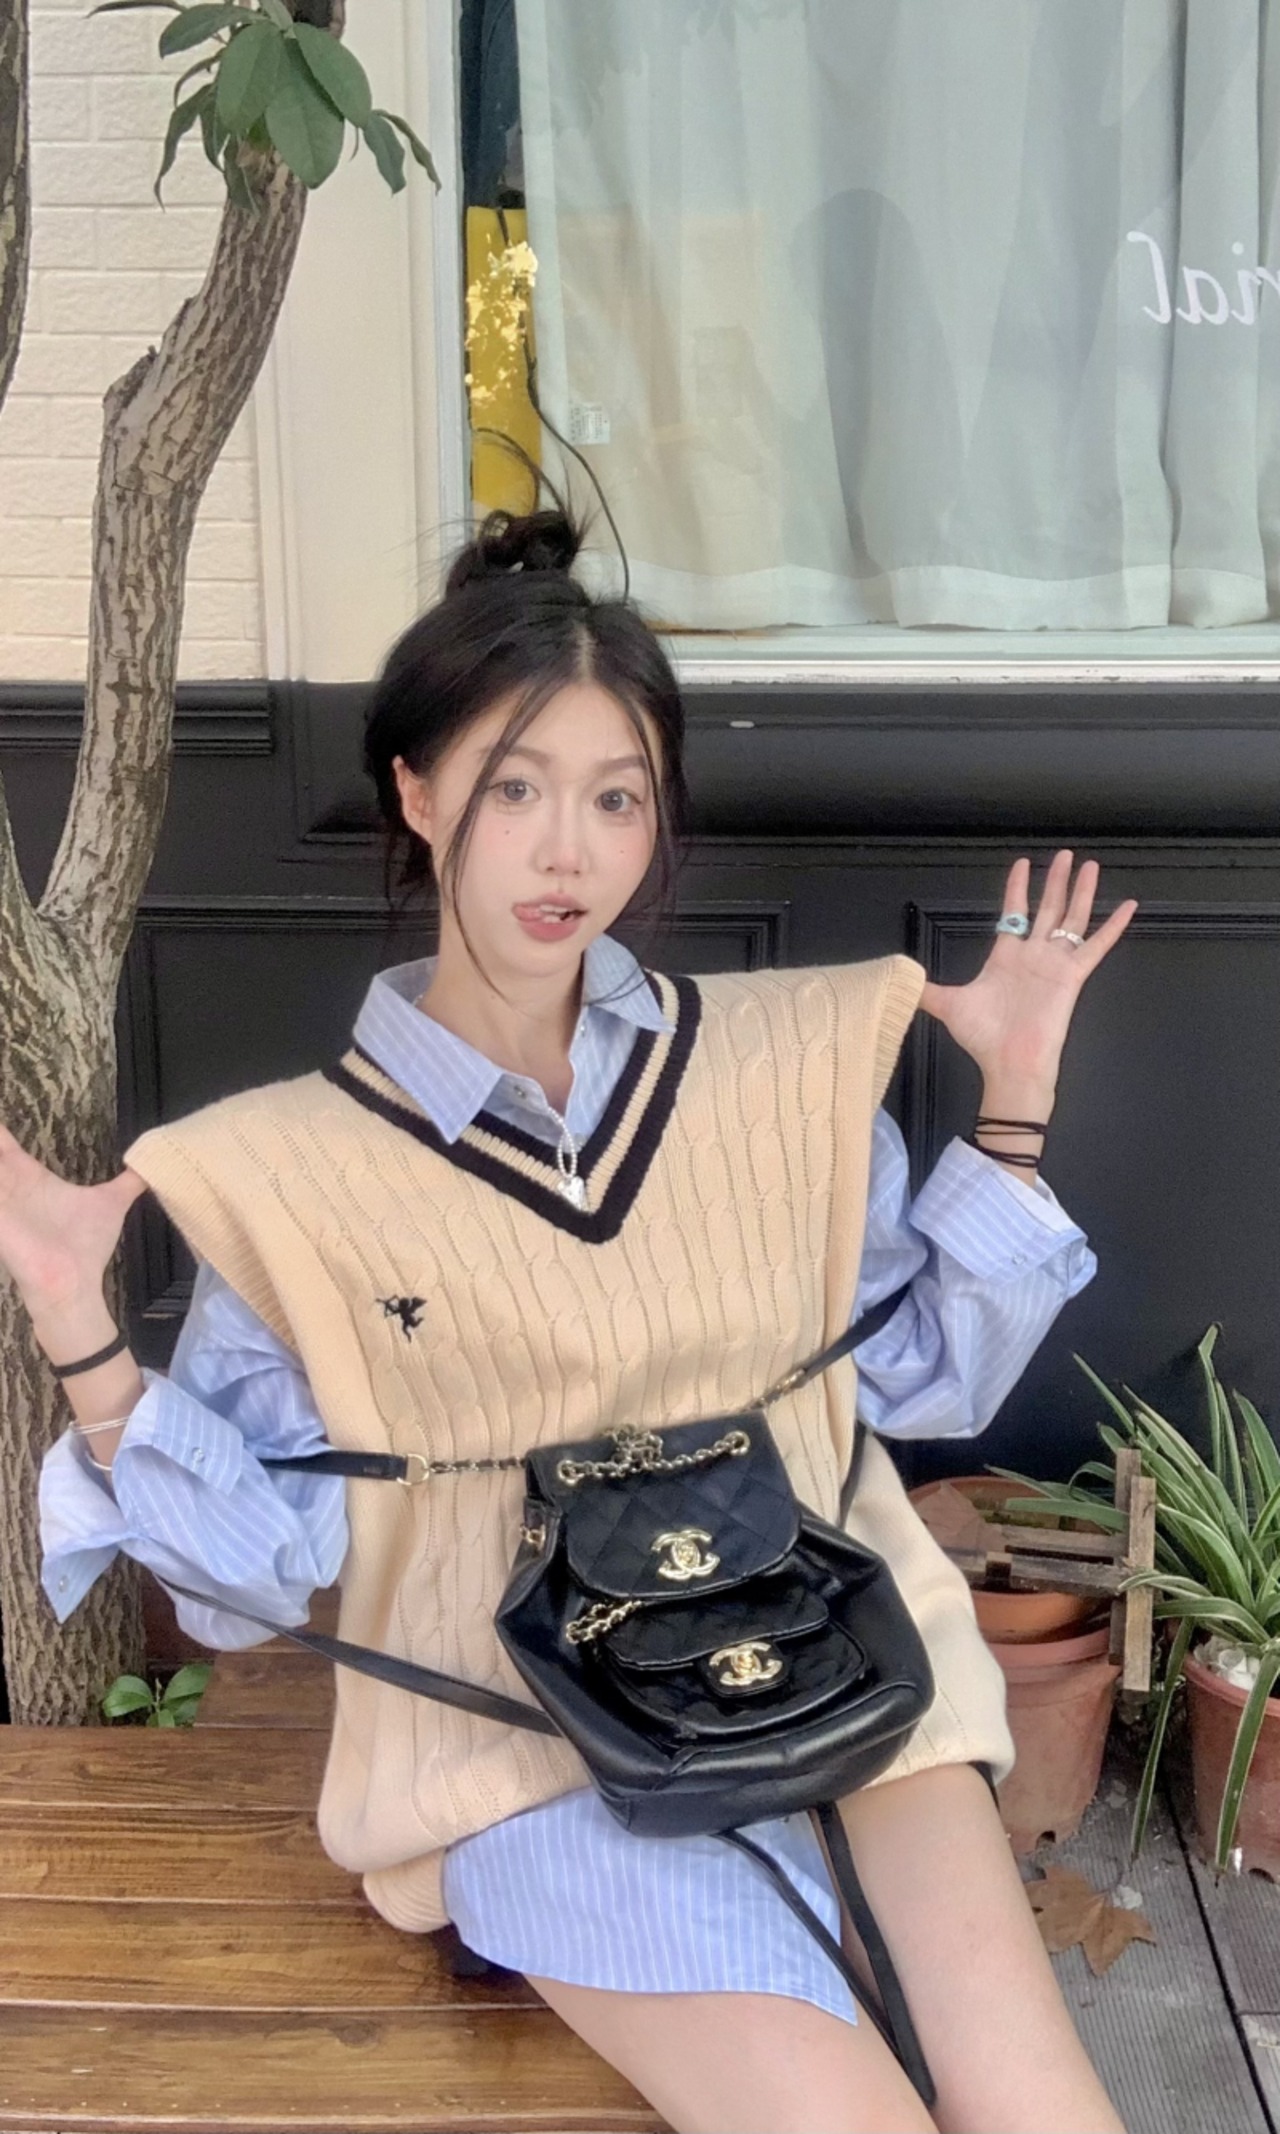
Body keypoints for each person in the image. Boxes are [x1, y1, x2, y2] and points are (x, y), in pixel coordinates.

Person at [5, 507, 1134, 2134]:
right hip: (517, 1740)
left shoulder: (771, 1070)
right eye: (517, 787)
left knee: (1042, 2106)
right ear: (417, 793)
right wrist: (83, 1331)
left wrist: (1013, 1102)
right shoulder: (295, 1171)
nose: (569, 851)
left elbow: (921, 1371)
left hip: (835, 1664)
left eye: (617, 796)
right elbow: (249, 1587)